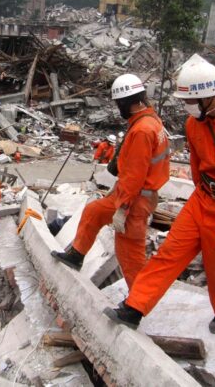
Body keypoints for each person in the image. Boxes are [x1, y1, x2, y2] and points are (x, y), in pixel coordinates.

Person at [104, 55, 215, 334]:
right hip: (202, 201)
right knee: (168, 255)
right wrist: (202, 196)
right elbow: (197, 169)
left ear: (210, 97)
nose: (187, 107)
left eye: (191, 101)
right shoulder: (193, 123)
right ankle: (134, 308)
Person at [52, 74, 170, 290]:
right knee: (94, 212)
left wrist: (123, 209)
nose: (118, 109)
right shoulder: (150, 120)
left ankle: (137, 303)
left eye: (119, 104)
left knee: (129, 254)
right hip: (130, 193)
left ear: (125, 102)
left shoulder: (142, 131)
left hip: (135, 200)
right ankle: (76, 255)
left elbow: (135, 176)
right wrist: (116, 191)